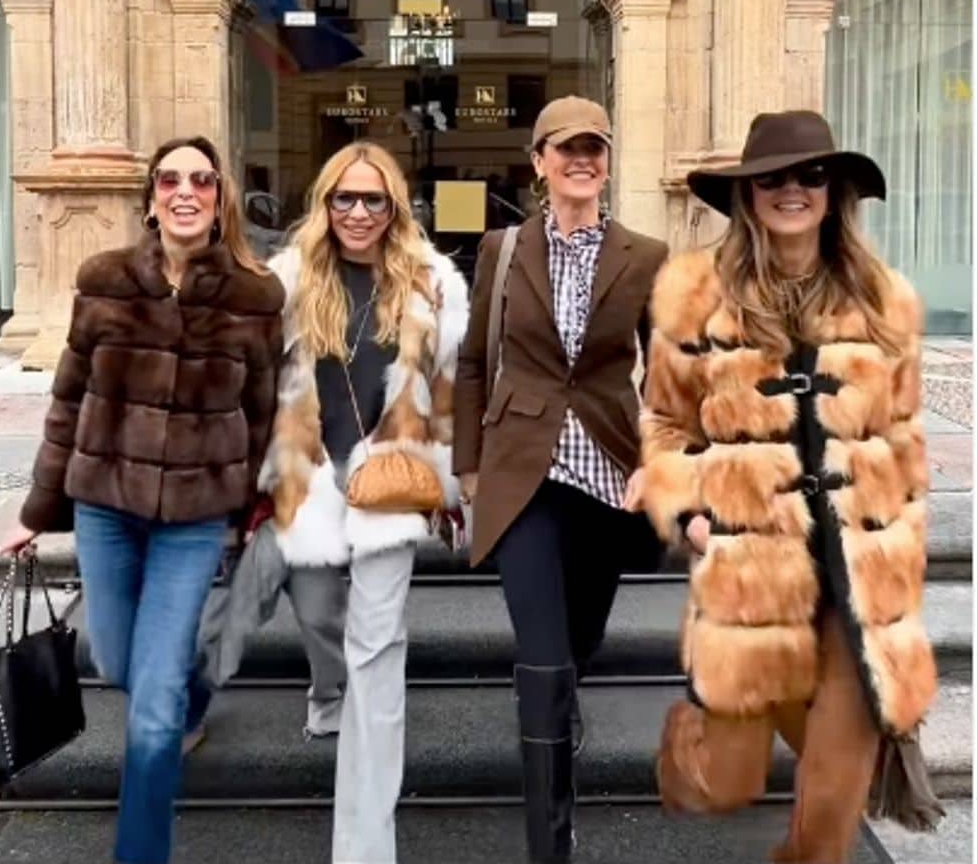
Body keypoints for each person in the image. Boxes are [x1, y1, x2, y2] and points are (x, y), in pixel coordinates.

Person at [623, 110, 941, 863]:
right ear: (746, 194)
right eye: (772, 178)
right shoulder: (693, 295)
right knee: (723, 781)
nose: (792, 190)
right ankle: (687, 743)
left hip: (855, 582)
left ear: (836, 193)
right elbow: (666, 426)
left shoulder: (884, 302)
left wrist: (902, 546)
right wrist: (694, 519)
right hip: (750, 577)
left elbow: (904, 439)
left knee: (831, 809)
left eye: (811, 175)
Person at [0, 136, 283, 864]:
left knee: (149, 718)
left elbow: (261, 412)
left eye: (201, 181)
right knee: (116, 659)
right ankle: (191, 691)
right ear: (150, 198)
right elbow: (67, 402)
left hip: (193, 520)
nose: (185, 192)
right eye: (169, 180)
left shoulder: (256, 296)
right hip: (105, 511)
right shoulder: (104, 279)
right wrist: (35, 512)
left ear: (220, 199)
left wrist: (249, 505)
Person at [452, 96, 669, 863]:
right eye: (567, 148)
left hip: (608, 469)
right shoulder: (502, 249)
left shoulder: (646, 255)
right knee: (541, 659)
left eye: (596, 148)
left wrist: (663, 467)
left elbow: (668, 374)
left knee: (580, 639)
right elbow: (475, 358)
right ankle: (551, 846)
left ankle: (565, 694)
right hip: (522, 471)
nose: (583, 160)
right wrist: (469, 468)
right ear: (538, 161)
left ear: (608, 162)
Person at [258, 141, 469, 864]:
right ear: (324, 205)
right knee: (318, 611)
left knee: (378, 651)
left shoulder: (431, 281)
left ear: (394, 207)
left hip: (390, 479)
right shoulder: (285, 281)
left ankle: (365, 843)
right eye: (343, 198)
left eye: (372, 199)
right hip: (311, 476)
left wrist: (453, 480)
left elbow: (449, 390)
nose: (357, 212)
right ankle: (326, 692)